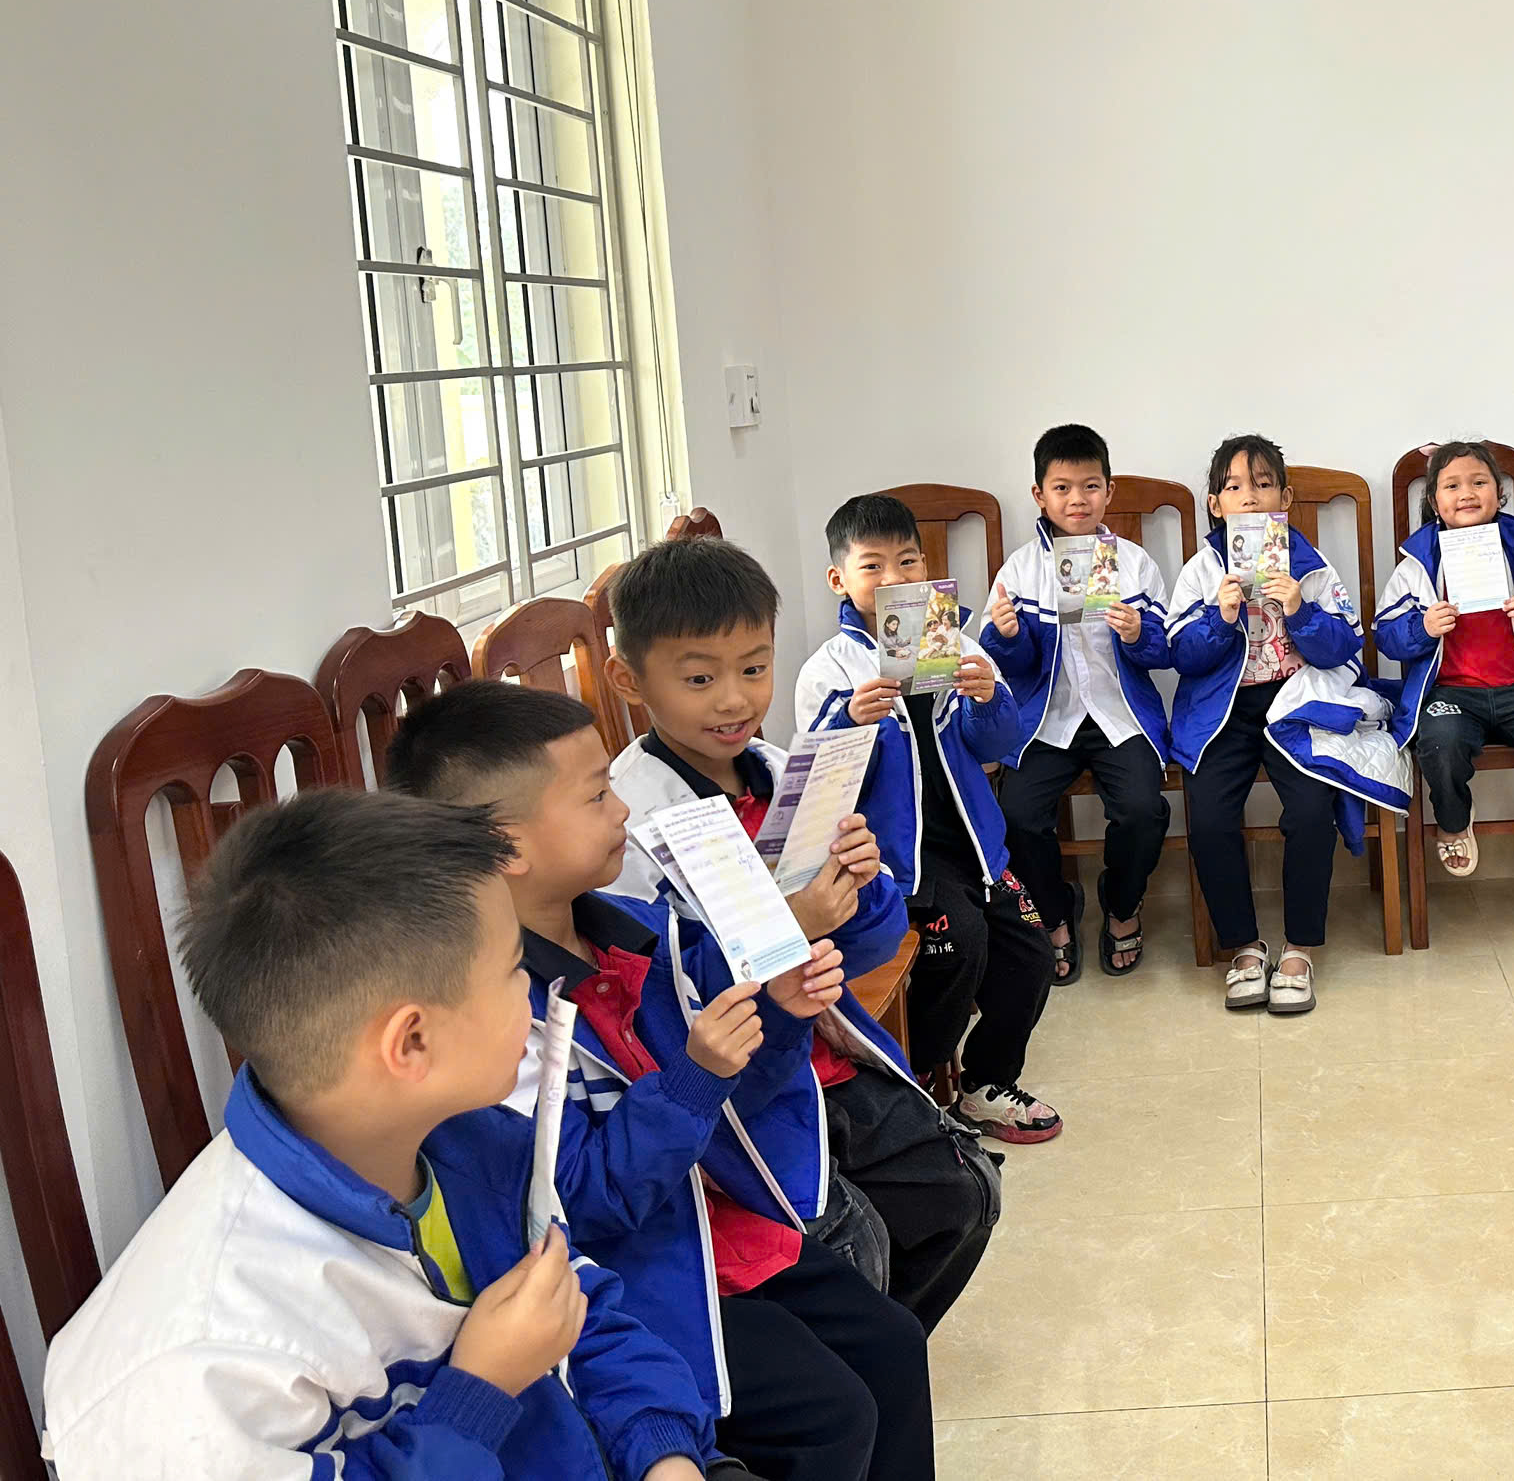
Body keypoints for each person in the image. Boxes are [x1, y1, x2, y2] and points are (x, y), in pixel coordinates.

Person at [40, 790, 733, 1481]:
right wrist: (479, 1393)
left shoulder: (465, 1141)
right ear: (412, 1042)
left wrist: (663, 1451)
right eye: (513, 970)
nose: (530, 989)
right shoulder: (201, 1368)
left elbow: (578, 1305)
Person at [386, 681, 942, 1481]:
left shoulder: (639, 935)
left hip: (713, 1227)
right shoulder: (493, 1021)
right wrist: (694, 1079)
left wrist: (779, 1012)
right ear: (508, 846)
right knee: (832, 1416)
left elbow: (738, 1109)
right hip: (631, 1283)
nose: (621, 808)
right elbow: (575, 1204)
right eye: (595, 796)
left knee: (893, 1344)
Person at [599, 535, 1007, 1303]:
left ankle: (882, 1347)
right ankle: (864, 1349)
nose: (734, 700)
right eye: (699, 678)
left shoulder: (781, 771)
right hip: (737, 1092)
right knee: (853, 1247)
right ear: (629, 679)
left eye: (754, 669)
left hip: (826, 1050)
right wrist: (793, 922)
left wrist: (861, 882)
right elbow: (658, 1004)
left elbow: (876, 942)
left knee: (966, 1193)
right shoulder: (630, 822)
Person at [792, 497, 1061, 1143]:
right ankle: (914, 1089)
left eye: (907, 561)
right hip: (897, 861)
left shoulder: (955, 643)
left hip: (976, 846)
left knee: (1032, 951)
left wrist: (989, 698)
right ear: (839, 580)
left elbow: (999, 745)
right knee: (957, 948)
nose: (893, 578)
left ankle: (986, 1082)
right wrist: (849, 720)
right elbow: (818, 786)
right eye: (872, 566)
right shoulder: (829, 670)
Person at [1168, 434, 1391, 1016]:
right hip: (1222, 713)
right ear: (1216, 505)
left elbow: (1344, 644)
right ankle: (1244, 946)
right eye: (1234, 487)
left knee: (1312, 810)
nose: (1250, 497)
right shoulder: (1202, 570)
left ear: (1285, 499)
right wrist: (1219, 617)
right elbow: (1181, 655)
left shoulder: (1310, 565)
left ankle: (1299, 948)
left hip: (1295, 705)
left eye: (1264, 484)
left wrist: (1299, 608)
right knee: (1209, 817)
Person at [980, 423, 1175, 981]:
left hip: (1120, 714)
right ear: (1039, 495)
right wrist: (1009, 636)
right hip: (1047, 719)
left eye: (1090, 486)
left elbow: (1164, 651)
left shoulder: (1133, 563)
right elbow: (1007, 667)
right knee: (1017, 814)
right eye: (1062, 488)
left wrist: (1138, 633)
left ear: (1109, 491)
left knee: (1143, 809)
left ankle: (1121, 903)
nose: (1077, 500)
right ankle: (1055, 913)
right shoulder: (1021, 570)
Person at [1378, 439, 1514, 876]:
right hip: (1450, 692)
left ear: (1499, 493)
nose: (1467, 494)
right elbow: (1386, 635)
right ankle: (1453, 821)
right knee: (1440, 745)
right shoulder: (1417, 563)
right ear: (1434, 501)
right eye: (1452, 486)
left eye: (1479, 482)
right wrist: (1423, 627)